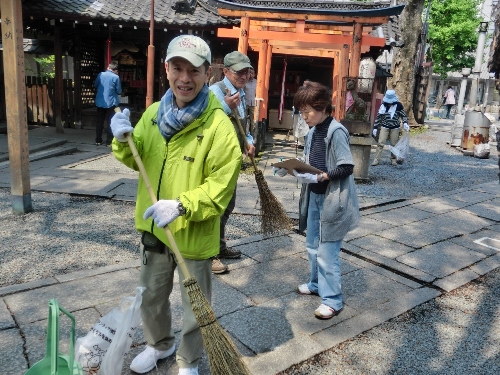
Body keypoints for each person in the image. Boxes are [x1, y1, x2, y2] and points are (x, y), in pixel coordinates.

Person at [110, 35, 242, 375]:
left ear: (206, 74)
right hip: (155, 227)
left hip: (193, 232)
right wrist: (122, 137)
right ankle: (160, 344)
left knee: (195, 306)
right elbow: (136, 157)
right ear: (167, 70)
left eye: (193, 71)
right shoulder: (154, 114)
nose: (184, 78)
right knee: (152, 298)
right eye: (177, 68)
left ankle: (189, 360)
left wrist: (182, 205)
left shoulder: (218, 125)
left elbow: (221, 185)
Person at [273, 81, 360, 319]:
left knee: (327, 252)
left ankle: (333, 300)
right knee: (312, 246)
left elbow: (347, 167)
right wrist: (287, 167)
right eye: (301, 112)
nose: (304, 117)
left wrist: (323, 175)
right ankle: (315, 284)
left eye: (307, 111)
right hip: (314, 196)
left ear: (322, 108)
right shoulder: (312, 132)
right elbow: (307, 160)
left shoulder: (336, 131)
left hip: (333, 200)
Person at [209, 51, 256, 274]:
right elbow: (206, 121)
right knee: (215, 206)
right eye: (239, 72)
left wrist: (248, 141)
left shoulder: (243, 92)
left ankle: (219, 245)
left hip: (233, 158)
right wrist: (226, 106)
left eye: (247, 71)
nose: (244, 76)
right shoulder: (215, 91)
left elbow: (243, 125)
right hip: (217, 160)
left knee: (228, 205)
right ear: (226, 71)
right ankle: (210, 254)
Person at [371, 89, 409, 166]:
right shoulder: (383, 106)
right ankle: (376, 160)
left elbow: (403, 115)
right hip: (384, 126)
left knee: (393, 144)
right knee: (380, 143)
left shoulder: (399, 106)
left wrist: (405, 123)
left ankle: (393, 159)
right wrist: (375, 127)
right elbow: (378, 117)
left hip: (395, 127)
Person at [94, 61, 122, 146]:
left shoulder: (100, 75)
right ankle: (109, 142)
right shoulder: (116, 77)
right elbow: (119, 91)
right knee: (110, 122)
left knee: (99, 122)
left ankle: (98, 140)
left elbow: (95, 85)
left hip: (100, 102)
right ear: (115, 70)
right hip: (111, 103)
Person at [243, 67, 257, 135]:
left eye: (252, 73)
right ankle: (244, 134)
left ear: (254, 74)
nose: (251, 75)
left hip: (253, 104)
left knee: (252, 121)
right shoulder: (244, 81)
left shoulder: (256, 82)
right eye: (250, 73)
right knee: (244, 119)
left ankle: (252, 135)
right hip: (245, 103)